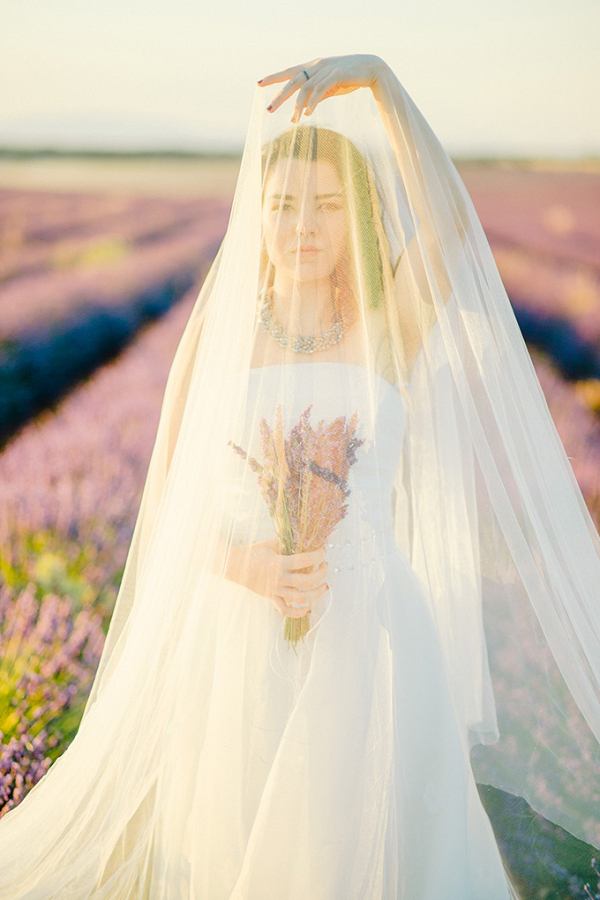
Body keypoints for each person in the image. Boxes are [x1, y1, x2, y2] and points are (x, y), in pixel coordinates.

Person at [0, 53, 599, 900]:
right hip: (241, 632)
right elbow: (170, 499)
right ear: (259, 221)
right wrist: (244, 565)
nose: (304, 225)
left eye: (326, 204)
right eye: (284, 206)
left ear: (358, 215)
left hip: (376, 632)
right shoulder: (222, 343)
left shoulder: (391, 327)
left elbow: (455, 227)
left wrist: (381, 85)